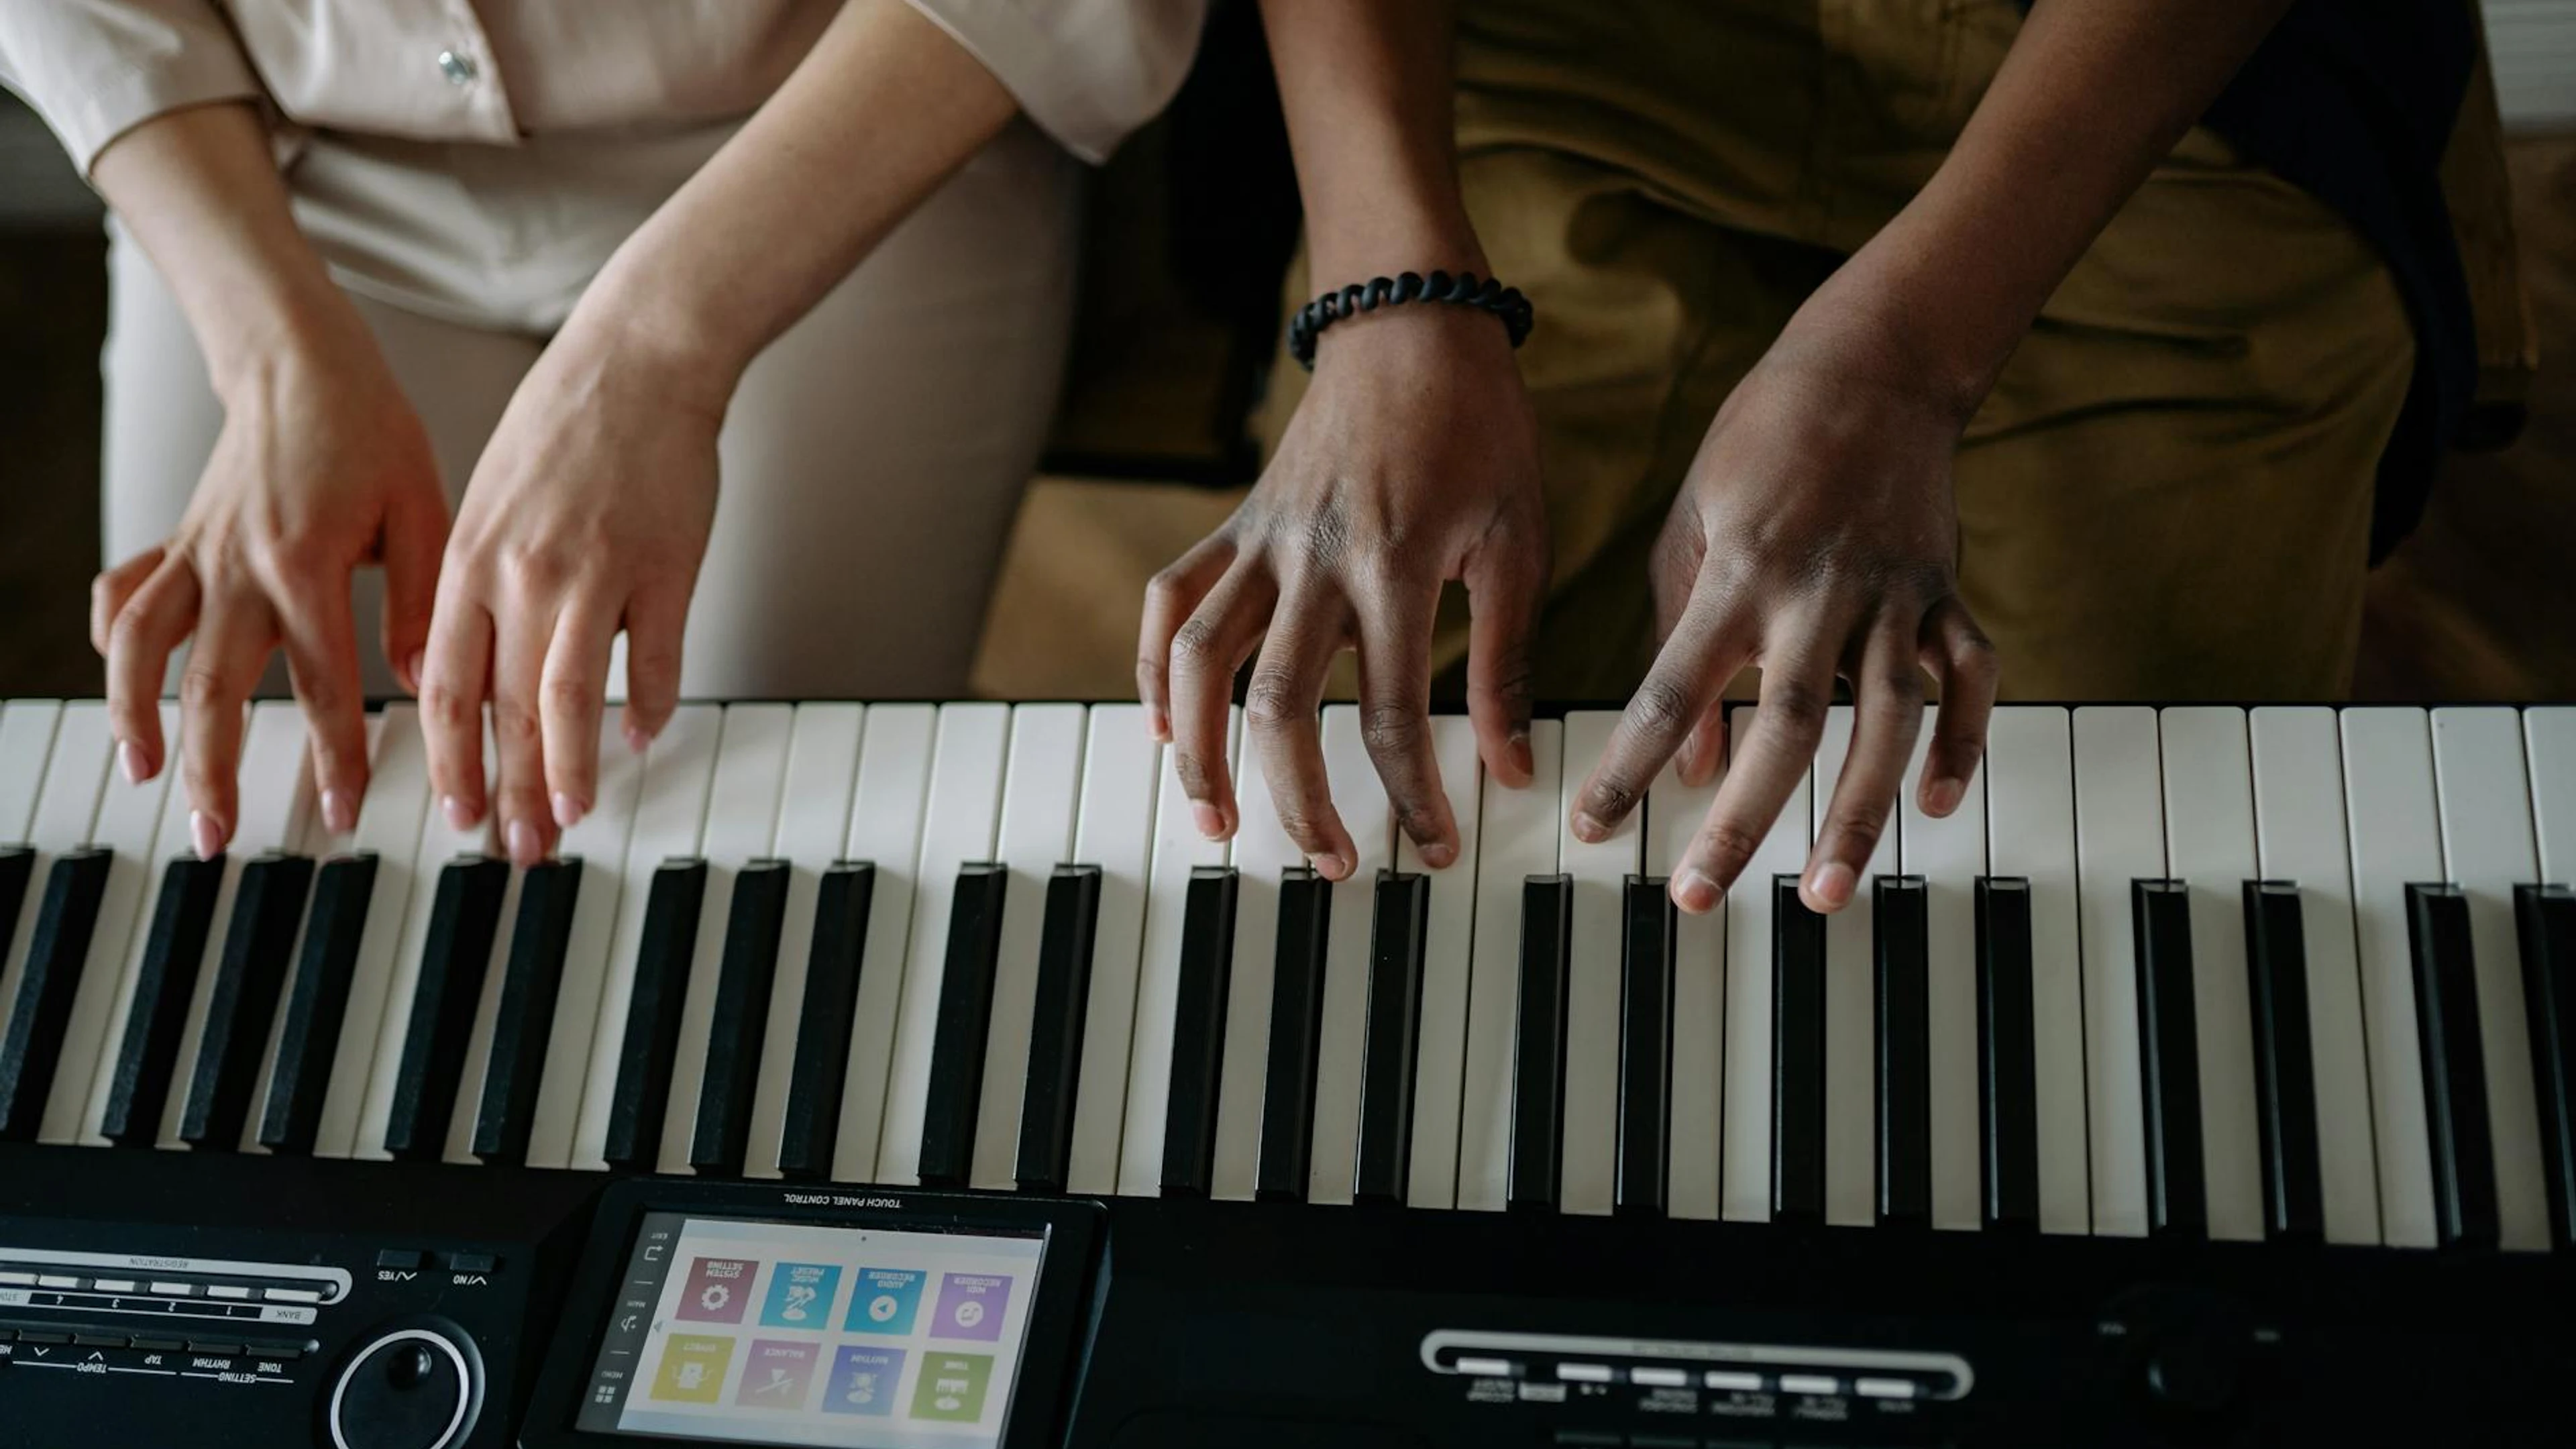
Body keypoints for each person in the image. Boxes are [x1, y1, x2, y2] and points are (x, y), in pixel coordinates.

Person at [1140, 0, 2479, 913]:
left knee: (2099, 852)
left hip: (2160, 90)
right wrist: (1391, 296)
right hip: (1576, 44)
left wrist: (1906, 360)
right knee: (1334, 776)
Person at [1, 0, 1206, 867]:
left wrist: (657, 354)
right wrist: (267, 358)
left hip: (829, 127)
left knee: (758, 809)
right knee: (262, 799)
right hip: (269, 159)